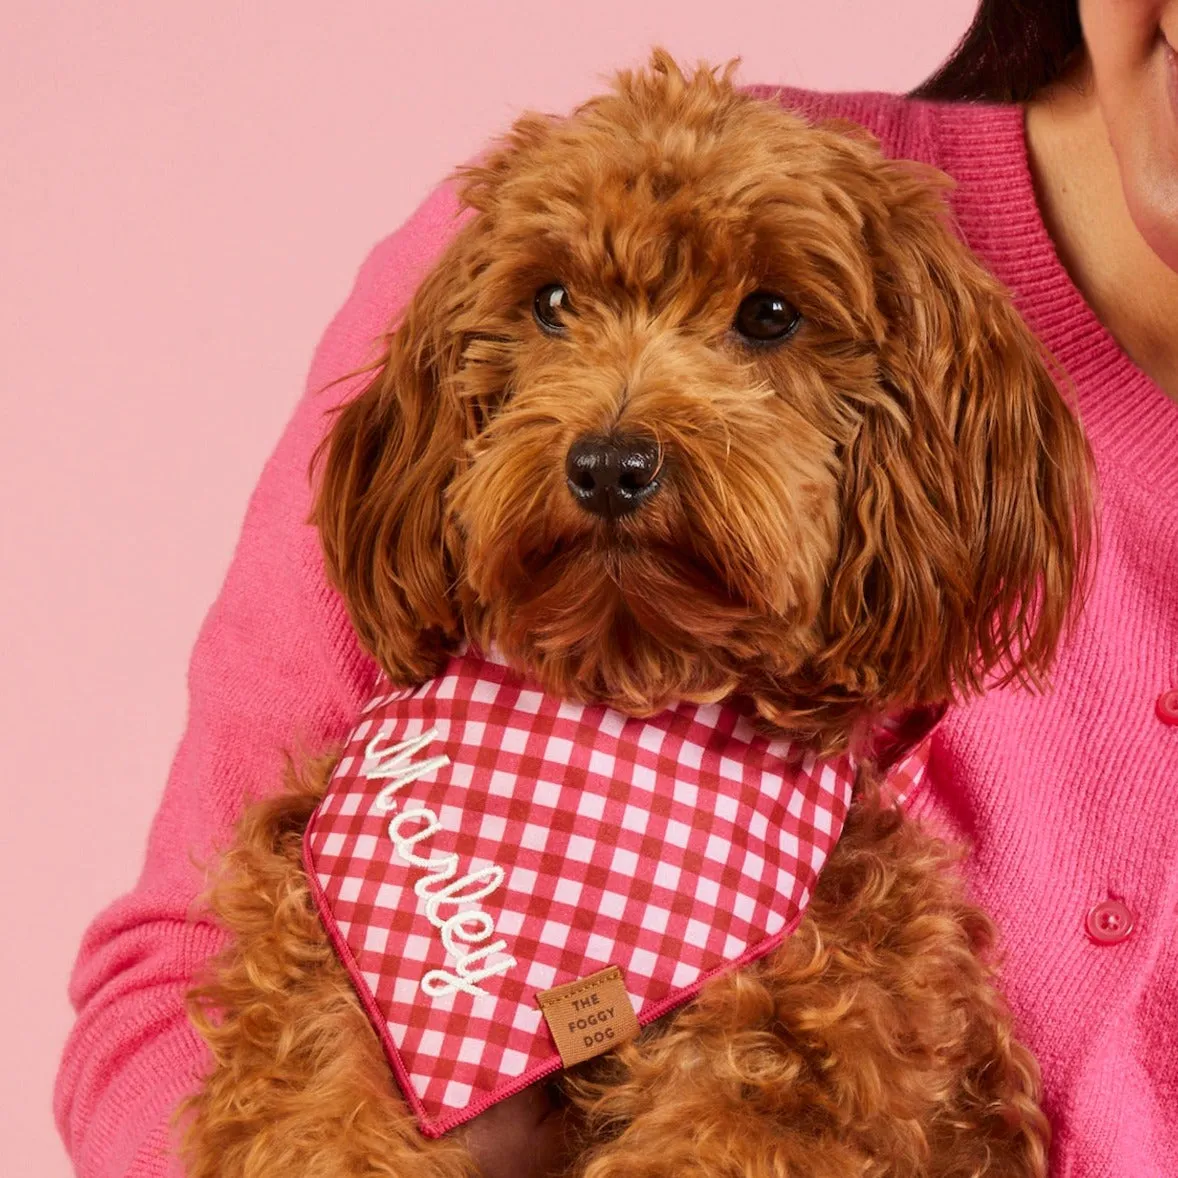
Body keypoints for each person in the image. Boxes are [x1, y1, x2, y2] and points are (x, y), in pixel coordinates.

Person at [54, 2, 1178, 1175]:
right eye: (554, 311)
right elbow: (177, 988)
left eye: (763, 322)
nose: (613, 434)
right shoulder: (537, 211)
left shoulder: (938, 371)